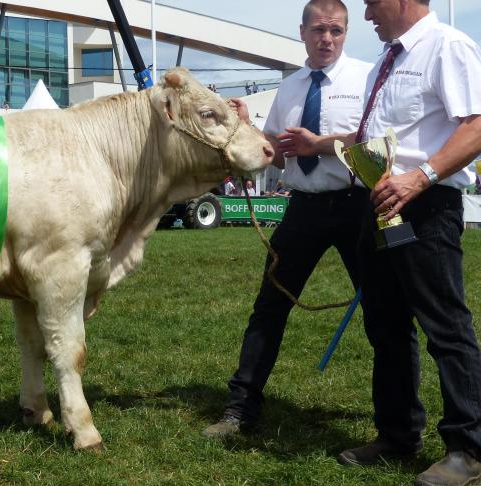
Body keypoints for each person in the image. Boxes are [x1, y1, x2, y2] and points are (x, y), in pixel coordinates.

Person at [288, 1, 481, 483]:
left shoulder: (447, 46)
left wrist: (420, 177)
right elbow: (372, 135)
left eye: (372, 3)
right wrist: (318, 145)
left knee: (446, 327)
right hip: (377, 208)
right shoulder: (387, 60)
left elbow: (476, 125)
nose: (368, 13)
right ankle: (397, 434)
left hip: (425, 206)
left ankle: (470, 449)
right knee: (386, 325)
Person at [202, 0, 372, 440]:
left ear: (347, 33)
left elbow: (374, 143)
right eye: (318, 30)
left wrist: (321, 144)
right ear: (302, 32)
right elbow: (276, 150)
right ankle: (240, 411)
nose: (326, 39)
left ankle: (396, 424)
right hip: (304, 207)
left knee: (384, 313)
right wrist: (246, 128)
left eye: (335, 30)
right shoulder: (291, 87)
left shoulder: (368, 78)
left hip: (358, 206)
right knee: (270, 305)